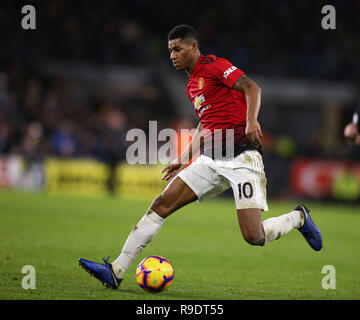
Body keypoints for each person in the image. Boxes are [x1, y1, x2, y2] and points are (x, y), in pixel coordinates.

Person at [79, 25, 322, 289]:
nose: (173, 55)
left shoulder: (215, 66)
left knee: (254, 236)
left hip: (242, 157)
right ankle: (116, 270)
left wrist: (251, 120)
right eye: (170, 50)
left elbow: (253, 88)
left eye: (178, 49)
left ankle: (299, 218)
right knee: (161, 204)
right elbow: (205, 125)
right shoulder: (192, 85)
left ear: (194, 47)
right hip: (211, 159)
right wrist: (185, 157)